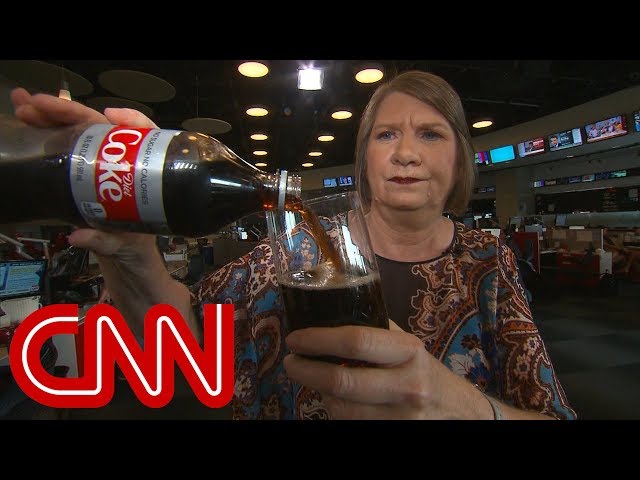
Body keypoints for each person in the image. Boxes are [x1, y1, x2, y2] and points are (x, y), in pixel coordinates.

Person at [9, 70, 576, 420]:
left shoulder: (488, 261)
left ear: (459, 162)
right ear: (364, 160)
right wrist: (132, 253)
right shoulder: (296, 255)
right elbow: (182, 338)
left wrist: (463, 407)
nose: (405, 153)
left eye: (430, 134)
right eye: (386, 134)